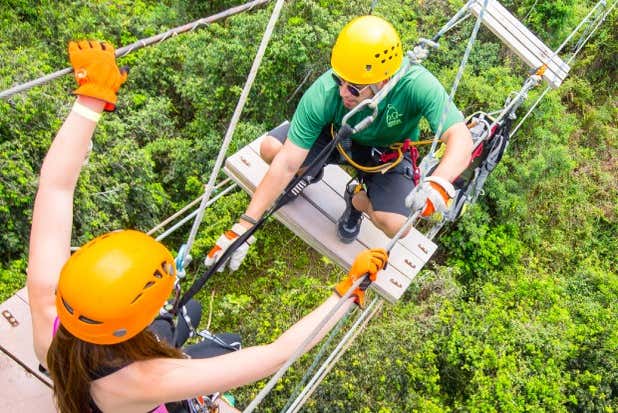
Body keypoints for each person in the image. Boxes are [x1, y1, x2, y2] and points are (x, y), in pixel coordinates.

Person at [26, 39, 389, 413]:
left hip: (94, 378)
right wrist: (346, 293)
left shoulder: (47, 307)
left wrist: (91, 100)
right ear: (133, 324)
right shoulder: (149, 380)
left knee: (191, 310)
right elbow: (276, 356)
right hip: (137, 397)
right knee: (227, 344)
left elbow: (55, 187)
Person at [205, 15, 472, 272]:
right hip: (337, 137)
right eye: (339, 80)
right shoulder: (324, 93)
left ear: (384, 82)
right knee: (271, 150)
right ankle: (309, 174)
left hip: (385, 154)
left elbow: (460, 137)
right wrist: (244, 225)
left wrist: (440, 180)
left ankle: (356, 202)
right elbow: (286, 162)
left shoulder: (415, 83)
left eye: (354, 88)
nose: (343, 92)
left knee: (398, 227)